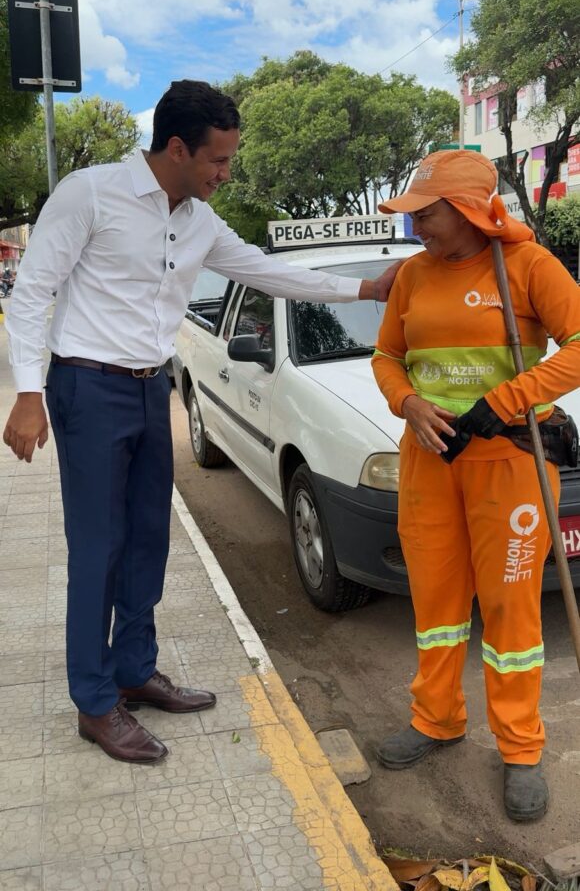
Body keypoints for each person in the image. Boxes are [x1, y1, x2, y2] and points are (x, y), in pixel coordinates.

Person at [3, 79, 401, 765]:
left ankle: (134, 669)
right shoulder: (90, 193)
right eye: (219, 160)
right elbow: (33, 289)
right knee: (99, 548)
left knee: (148, 540)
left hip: (149, 389)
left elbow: (267, 272)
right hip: (87, 388)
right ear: (177, 148)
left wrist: (365, 288)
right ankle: (95, 702)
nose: (226, 174)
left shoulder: (199, 222)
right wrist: (28, 393)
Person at [371, 149, 580, 822]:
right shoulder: (411, 275)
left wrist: (509, 398)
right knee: (435, 602)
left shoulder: (527, 266)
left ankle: (520, 748)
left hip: (510, 463)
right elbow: (387, 355)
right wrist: (407, 403)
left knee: (511, 610)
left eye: (426, 215)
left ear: (466, 211)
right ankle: (436, 718)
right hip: (429, 462)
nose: (416, 228)